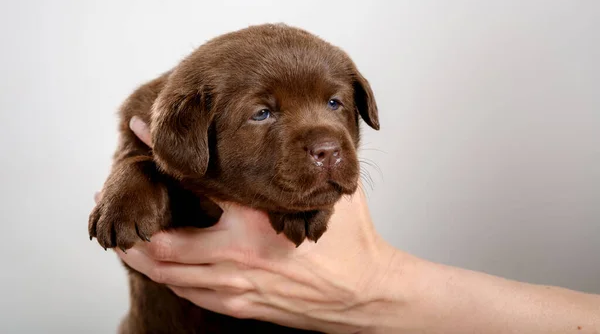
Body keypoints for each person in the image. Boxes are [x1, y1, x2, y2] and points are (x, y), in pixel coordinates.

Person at [101, 117, 600, 333]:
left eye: (336, 103)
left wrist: (373, 286)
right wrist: (138, 171)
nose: (326, 136)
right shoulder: (159, 120)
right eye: (262, 112)